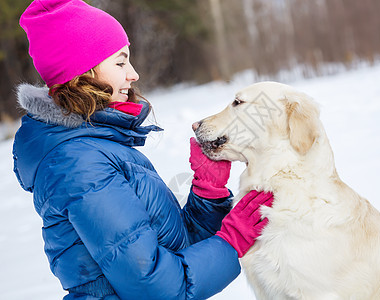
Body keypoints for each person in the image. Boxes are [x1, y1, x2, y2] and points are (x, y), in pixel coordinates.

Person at [13, 0, 274, 299]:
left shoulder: (100, 147)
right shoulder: (78, 163)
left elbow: (175, 252)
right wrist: (231, 241)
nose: (133, 74)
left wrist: (207, 192)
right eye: (121, 62)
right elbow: (157, 288)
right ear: (82, 72)